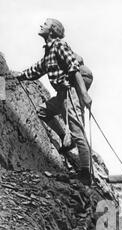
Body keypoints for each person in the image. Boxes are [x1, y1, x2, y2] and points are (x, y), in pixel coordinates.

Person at [17, 19, 92, 185]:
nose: (41, 25)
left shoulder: (58, 45)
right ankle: (65, 136)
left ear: (53, 30)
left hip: (71, 90)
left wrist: (84, 94)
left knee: (77, 130)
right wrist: (19, 76)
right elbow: (38, 69)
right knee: (43, 111)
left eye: (45, 24)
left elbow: (73, 67)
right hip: (62, 93)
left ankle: (86, 174)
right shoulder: (49, 51)